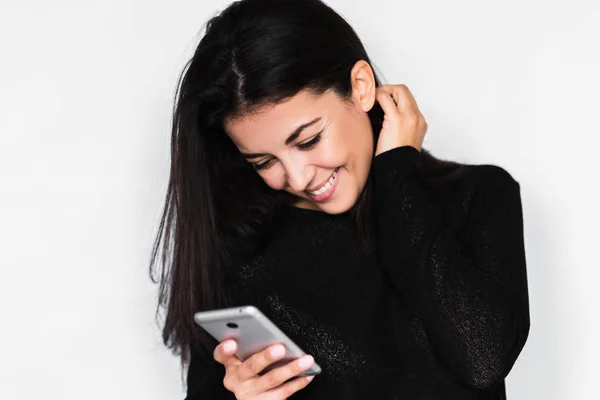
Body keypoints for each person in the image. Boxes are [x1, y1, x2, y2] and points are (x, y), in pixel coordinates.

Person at [149, 0, 531, 398]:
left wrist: (397, 174)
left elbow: (483, 358)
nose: (297, 178)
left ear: (361, 87)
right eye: (264, 161)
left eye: (309, 140)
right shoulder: (242, 251)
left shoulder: (477, 196)